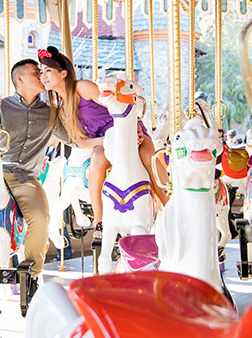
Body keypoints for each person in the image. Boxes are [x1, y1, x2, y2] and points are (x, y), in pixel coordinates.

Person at [37, 45, 168, 247]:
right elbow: (80, 141)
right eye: (41, 72)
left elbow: (115, 105)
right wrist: (104, 141)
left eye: (48, 71)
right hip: (104, 143)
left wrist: (131, 129)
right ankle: (100, 221)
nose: (43, 76)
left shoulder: (83, 87)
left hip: (129, 132)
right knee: (97, 160)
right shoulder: (62, 110)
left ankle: (169, 208)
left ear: (63, 73)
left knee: (149, 159)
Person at [0, 58, 68, 285]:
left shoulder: (50, 112)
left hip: (25, 178)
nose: (41, 76)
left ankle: (31, 272)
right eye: (35, 72)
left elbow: (72, 138)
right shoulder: (1, 106)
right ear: (19, 79)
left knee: (41, 218)